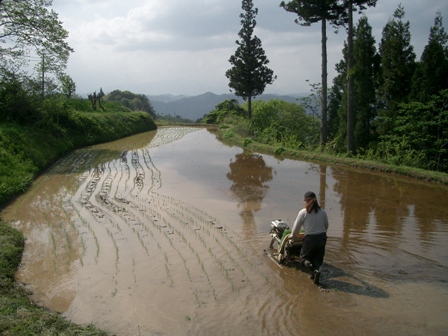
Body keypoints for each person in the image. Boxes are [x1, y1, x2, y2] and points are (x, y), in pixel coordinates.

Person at [278, 191, 328, 285]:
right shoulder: (323, 212)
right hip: (322, 237)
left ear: (306, 201)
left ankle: (314, 271)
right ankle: (315, 275)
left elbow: (295, 231)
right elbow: (326, 226)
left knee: (304, 259)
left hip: (310, 239)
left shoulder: (303, 213)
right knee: (317, 259)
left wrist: (293, 237)